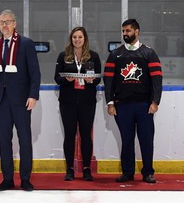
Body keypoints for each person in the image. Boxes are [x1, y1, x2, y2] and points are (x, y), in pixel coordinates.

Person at [104, 19, 162, 183]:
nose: (125, 34)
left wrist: (155, 101)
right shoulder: (115, 54)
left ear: (137, 32)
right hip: (122, 106)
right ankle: (127, 172)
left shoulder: (149, 53)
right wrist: (110, 103)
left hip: (144, 105)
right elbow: (108, 81)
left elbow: (157, 80)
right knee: (127, 140)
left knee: (146, 140)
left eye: (128, 31)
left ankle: (148, 172)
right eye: (123, 31)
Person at [0, 10, 41, 191]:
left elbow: (35, 72)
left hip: (21, 100)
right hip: (2, 100)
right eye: (1, 22)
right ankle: (8, 179)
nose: (4, 25)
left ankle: (25, 179)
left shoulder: (26, 44)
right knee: (4, 141)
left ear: (14, 23)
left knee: (24, 139)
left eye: (8, 22)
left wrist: (33, 95)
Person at [54, 26, 101, 181]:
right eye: (74, 37)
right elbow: (57, 78)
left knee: (86, 135)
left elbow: (98, 79)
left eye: (80, 37)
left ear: (85, 39)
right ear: (71, 39)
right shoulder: (63, 56)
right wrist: (66, 80)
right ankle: (69, 169)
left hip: (87, 102)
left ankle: (86, 169)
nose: (77, 40)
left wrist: (91, 80)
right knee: (69, 135)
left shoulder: (93, 56)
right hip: (68, 102)